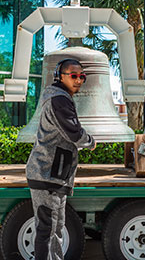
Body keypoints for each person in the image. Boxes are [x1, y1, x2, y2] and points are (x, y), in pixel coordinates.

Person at [26, 58, 96, 260]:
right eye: (73, 76)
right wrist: (90, 141)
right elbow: (74, 133)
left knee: (55, 229)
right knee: (48, 230)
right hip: (47, 173)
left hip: (55, 174)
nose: (79, 80)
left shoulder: (60, 97)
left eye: (82, 76)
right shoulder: (59, 99)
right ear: (60, 76)